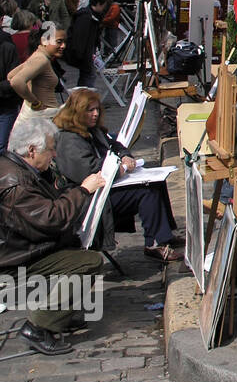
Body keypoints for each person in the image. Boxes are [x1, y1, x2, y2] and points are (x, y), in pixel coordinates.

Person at [0, 116, 105, 356]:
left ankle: (60, 316)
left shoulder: (14, 166)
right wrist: (82, 191)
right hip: (12, 258)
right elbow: (51, 219)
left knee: (80, 250)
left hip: (19, 246)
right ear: (31, 150)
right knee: (88, 262)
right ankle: (39, 326)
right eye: (50, 150)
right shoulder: (14, 181)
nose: (54, 155)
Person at [54, 87, 181, 263]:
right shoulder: (69, 139)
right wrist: (121, 168)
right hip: (90, 199)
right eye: (90, 110)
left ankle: (165, 234)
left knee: (156, 183)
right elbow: (89, 171)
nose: (96, 114)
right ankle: (155, 243)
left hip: (106, 187)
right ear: (78, 112)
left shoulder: (92, 129)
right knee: (146, 193)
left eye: (97, 109)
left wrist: (125, 156)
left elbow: (115, 144)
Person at [8, 22, 65, 122]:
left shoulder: (39, 56)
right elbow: (16, 81)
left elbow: (11, 75)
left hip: (39, 117)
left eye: (64, 42)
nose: (63, 46)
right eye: (59, 42)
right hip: (40, 120)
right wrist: (35, 103)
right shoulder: (40, 59)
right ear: (44, 41)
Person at [63, 0, 110, 91]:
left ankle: (84, 96)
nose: (104, 9)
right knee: (88, 75)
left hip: (86, 51)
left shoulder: (90, 16)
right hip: (84, 52)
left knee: (88, 75)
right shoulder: (86, 17)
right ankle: (85, 97)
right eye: (103, 6)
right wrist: (80, 55)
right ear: (97, 4)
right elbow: (80, 37)